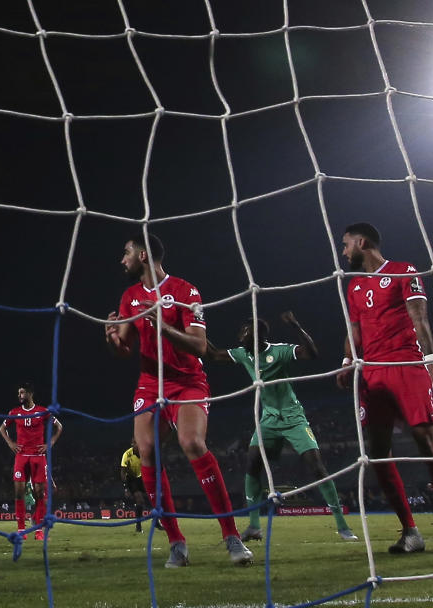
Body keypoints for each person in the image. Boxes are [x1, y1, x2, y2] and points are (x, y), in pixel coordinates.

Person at [104, 233, 252, 567]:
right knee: (148, 451)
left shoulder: (186, 291)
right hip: (149, 384)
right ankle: (177, 543)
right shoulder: (129, 297)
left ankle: (232, 537)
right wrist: (112, 339)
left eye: (125, 252)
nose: (121, 259)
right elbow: (124, 350)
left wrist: (163, 328)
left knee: (192, 443)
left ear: (143, 255)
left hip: (187, 382)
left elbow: (200, 347)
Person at [336, 223, 433, 555]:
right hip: (373, 373)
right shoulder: (353, 288)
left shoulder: (403, 271)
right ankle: (410, 532)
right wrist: (348, 361)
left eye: (346, 244)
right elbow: (354, 331)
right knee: (377, 452)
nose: (344, 251)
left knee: (426, 440)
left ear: (362, 242)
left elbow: (420, 318)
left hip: (407, 365)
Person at [202, 311, 357, 542]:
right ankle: (254, 526)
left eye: (245, 331)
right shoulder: (244, 354)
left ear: (258, 334)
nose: (240, 335)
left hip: (293, 417)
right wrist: (195, 325)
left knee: (317, 467)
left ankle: (343, 526)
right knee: (252, 465)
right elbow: (213, 354)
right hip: (268, 420)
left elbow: (311, 354)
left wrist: (296, 326)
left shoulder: (279, 350)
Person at [0, 383, 63, 541]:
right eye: (19, 393)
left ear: (30, 393)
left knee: (40, 494)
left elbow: (59, 426)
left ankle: (39, 530)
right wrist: (10, 443)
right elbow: (2, 428)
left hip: (38, 456)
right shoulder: (15, 412)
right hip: (21, 456)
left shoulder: (42, 411)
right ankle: (21, 529)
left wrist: (51, 443)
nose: (19, 396)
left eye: (22, 393)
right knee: (19, 492)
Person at [121, 438, 162, 532]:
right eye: (136, 443)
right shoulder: (127, 455)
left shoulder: (144, 452)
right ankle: (138, 525)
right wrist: (126, 488)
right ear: (132, 444)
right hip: (131, 479)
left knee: (153, 499)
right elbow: (123, 472)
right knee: (140, 500)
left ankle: (155, 522)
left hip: (141, 477)